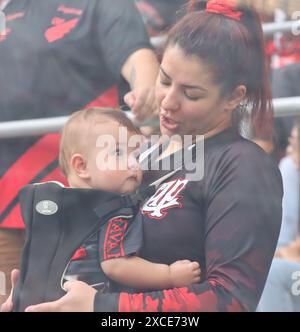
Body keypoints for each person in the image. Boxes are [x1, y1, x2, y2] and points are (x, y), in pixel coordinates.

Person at [2, 0, 283, 312]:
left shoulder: (243, 167)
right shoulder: (140, 157)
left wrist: (101, 307)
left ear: (234, 97)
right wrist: (41, 293)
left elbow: (231, 301)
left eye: (191, 94)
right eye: (164, 80)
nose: (168, 101)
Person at [0, 0, 159, 305]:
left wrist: (147, 90)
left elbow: (137, 56)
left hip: (86, 210)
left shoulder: (101, 4)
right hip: (8, 207)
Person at [59, 107, 200, 291]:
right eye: (118, 153)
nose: (133, 163)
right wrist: (169, 275)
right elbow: (115, 264)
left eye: (135, 155)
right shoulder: (113, 211)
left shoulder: (58, 208)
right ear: (82, 166)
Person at [257, 122, 300, 312]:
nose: (289, 149)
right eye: (290, 142)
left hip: (291, 271)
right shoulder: (291, 168)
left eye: (295, 143)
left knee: (271, 273)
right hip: (290, 264)